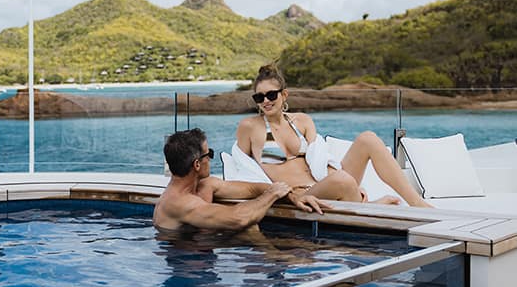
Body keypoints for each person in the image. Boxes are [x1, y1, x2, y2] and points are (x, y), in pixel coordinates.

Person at [233, 64, 431, 207]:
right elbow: (244, 170)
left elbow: (319, 159)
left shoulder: (302, 121)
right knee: (342, 180)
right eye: (259, 97)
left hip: (324, 183)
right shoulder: (249, 127)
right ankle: (367, 205)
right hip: (300, 196)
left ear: (284, 95)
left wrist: (341, 179)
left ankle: (418, 204)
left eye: (271, 95)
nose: (265, 101)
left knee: (368, 139)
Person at [153, 128, 326, 232]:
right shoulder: (178, 203)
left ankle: (278, 257)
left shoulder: (206, 185)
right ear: (197, 164)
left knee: (250, 228)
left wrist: (294, 196)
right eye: (209, 154)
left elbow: (252, 189)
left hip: (203, 252)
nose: (211, 159)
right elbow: (238, 219)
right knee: (247, 226)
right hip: (185, 267)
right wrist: (271, 195)